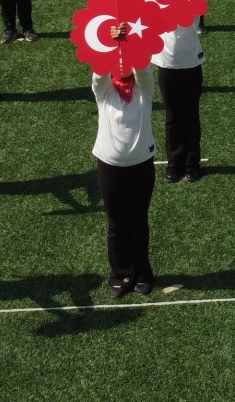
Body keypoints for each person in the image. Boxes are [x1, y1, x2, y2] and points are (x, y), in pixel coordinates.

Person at [92, 63, 157, 297]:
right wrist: (108, 52)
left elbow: (144, 70)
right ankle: (120, 274)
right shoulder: (104, 91)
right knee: (117, 224)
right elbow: (98, 76)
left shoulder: (144, 89)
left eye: (126, 59)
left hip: (141, 166)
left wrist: (133, 50)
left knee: (138, 221)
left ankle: (143, 274)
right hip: (110, 169)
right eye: (117, 60)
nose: (121, 63)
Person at [153, 0, 206, 184]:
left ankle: (192, 164)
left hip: (191, 63)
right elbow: (148, 11)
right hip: (166, 64)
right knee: (172, 115)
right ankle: (174, 164)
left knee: (191, 114)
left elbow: (199, 4)